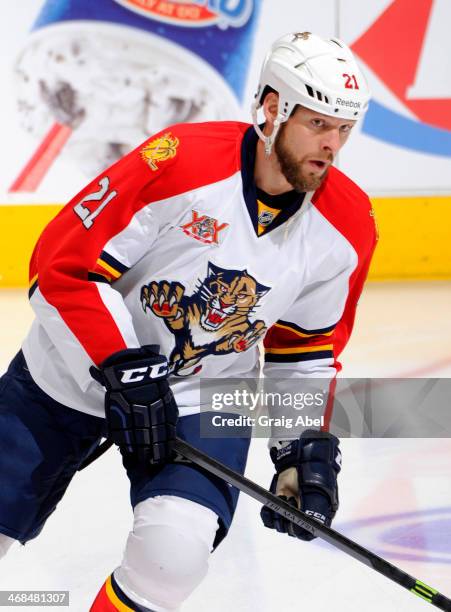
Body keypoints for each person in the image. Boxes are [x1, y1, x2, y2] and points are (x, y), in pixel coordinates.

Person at [0, 32, 377, 611]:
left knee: (172, 555)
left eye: (343, 129)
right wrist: (123, 367)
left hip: (203, 394)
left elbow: (304, 347)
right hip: (68, 375)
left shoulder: (347, 226)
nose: (331, 146)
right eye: (318, 124)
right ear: (273, 109)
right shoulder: (179, 161)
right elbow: (61, 267)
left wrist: (300, 449)